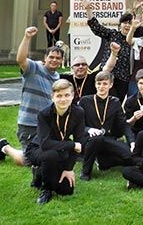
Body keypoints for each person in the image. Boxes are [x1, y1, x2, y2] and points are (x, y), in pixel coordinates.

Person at [2, 27, 63, 167]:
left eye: (57, 58)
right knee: (28, 161)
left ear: (61, 61)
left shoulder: (57, 77)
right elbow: (20, 59)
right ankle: (5, 147)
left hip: (46, 125)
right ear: (45, 58)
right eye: (51, 57)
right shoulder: (34, 69)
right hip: (29, 125)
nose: (54, 60)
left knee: (50, 155)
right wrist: (27, 37)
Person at [25, 79, 85, 205]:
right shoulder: (44, 114)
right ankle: (46, 189)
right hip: (38, 148)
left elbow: (80, 142)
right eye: (59, 96)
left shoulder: (78, 112)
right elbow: (45, 144)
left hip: (60, 150)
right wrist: (72, 144)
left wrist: (68, 168)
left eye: (67, 95)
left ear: (73, 96)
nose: (63, 99)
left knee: (66, 190)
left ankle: (40, 174)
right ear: (52, 97)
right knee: (51, 155)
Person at [78, 71, 135, 180]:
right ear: (95, 84)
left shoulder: (115, 102)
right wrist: (89, 129)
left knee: (128, 155)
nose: (101, 87)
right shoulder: (85, 101)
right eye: (99, 84)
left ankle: (102, 161)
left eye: (105, 84)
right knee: (96, 140)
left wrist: (132, 142)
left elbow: (124, 125)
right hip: (89, 139)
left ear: (111, 85)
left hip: (107, 139)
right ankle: (85, 172)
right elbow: (78, 125)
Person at [83, 0, 133, 100]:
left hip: (124, 78)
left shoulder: (135, 39)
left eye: (130, 23)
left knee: (117, 103)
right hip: (107, 74)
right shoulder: (112, 34)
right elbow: (96, 27)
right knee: (103, 100)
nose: (127, 25)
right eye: (125, 22)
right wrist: (88, 9)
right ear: (120, 25)